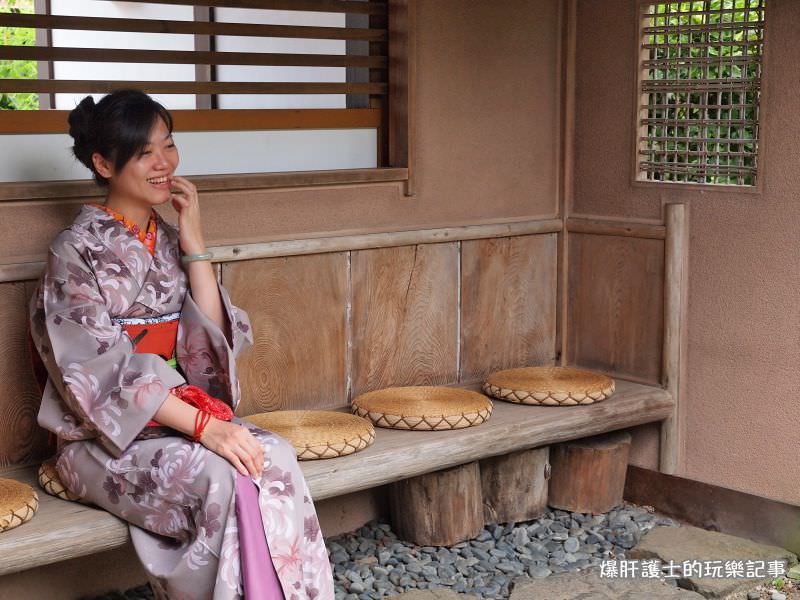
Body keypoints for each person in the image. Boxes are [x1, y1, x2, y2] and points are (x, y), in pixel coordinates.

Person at [28, 89, 334, 600]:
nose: (163, 163)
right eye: (145, 153)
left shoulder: (168, 239)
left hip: (181, 417)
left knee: (273, 455)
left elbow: (207, 343)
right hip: (101, 440)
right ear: (103, 163)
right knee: (220, 475)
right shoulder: (74, 250)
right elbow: (94, 371)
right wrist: (206, 430)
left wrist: (194, 243)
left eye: (168, 146)